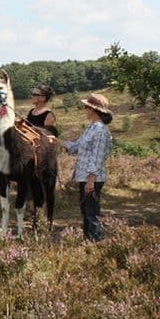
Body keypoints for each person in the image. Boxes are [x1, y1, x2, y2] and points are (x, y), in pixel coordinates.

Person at [55, 93, 113, 242]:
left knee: (91, 212)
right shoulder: (91, 128)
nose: (84, 109)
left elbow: (97, 156)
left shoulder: (99, 130)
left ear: (92, 110)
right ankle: (89, 242)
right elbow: (75, 147)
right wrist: (57, 141)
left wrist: (91, 180)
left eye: (86, 107)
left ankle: (96, 243)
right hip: (85, 177)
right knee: (86, 212)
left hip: (92, 178)